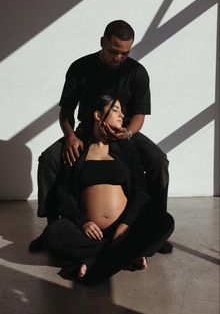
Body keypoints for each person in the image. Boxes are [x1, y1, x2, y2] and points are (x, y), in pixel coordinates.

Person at [30, 19, 172, 253]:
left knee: (158, 161)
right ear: (102, 42)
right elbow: (66, 113)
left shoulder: (137, 72)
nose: (118, 58)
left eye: (124, 53)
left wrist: (128, 132)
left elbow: (138, 115)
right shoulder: (80, 67)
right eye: (113, 51)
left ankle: (151, 225)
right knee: (48, 160)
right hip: (88, 131)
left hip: (123, 131)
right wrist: (70, 137)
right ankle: (52, 227)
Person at [43, 96, 174, 285]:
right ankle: (127, 256)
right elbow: (65, 193)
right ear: (98, 115)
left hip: (124, 230)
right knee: (54, 233)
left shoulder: (126, 148)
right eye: (115, 110)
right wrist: (84, 222)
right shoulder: (78, 149)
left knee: (165, 222)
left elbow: (141, 192)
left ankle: (90, 261)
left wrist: (126, 225)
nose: (122, 115)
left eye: (122, 111)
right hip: (89, 232)